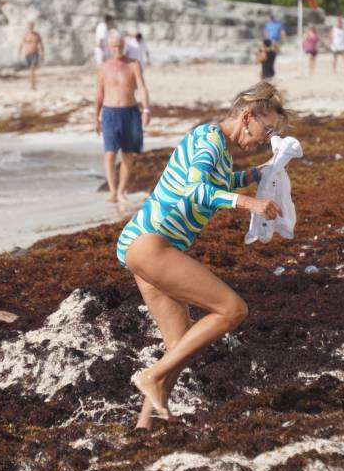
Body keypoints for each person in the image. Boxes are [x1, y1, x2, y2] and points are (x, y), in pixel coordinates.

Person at [117, 81, 289, 427]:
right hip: (152, 243)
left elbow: (222, 182)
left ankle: (145, 427)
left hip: (146, 245)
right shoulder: (208, 139)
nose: (263, 138)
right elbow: (196, 189)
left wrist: (264, 171)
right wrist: (248, 202)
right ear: (246, 116)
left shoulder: (221, 150)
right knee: (232, 309)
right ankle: (149, 377)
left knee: (179, 347)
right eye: (265, 128)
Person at [94, 32, 151, 203]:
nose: (116, 48)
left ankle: (121, 191)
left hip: (131, 112)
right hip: (110, 113)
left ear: (124, 45)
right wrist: (95, 118)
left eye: (119, 45)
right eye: (113, 46)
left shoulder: (133, 65)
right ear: (108, 47)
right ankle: (112, 191)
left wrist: (146, 110)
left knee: (128, 154)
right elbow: (99, 93)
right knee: (110, 154)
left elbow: (142, 87)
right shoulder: (103, 67)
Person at [18, 22, 44, 90]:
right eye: (29, 26)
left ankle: (33, 85)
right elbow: (21, 44)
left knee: (33, 69)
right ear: (28, 27)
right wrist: (19, 52)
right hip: (28, 54)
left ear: (33, 27)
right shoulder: (26, 35)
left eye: (32, 26)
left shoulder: (37, 35)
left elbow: (41, 44)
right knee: (30, 69)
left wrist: (43, 54)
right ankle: (32, 82)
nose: (31, 28)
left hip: (35, 53)